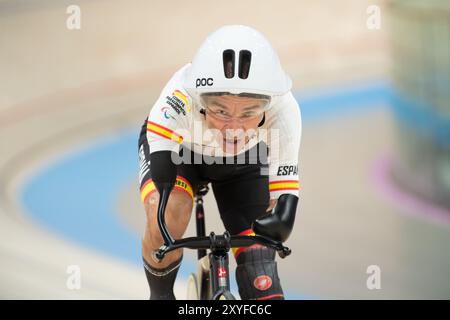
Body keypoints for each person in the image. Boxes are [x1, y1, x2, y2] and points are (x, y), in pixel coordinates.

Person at [138, 25, 301, 300]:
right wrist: (162, 213)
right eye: (221, 110)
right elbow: (159, 148)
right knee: (167, 215)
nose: (234, 127)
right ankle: (160, 295)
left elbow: (283, 199)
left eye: (249, 112)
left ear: (268, 104)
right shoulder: (178, 97)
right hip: (180, 154)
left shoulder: (284, 109)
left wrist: (275, 225)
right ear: (200, 100)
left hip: (244, 162)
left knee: (262, 278)